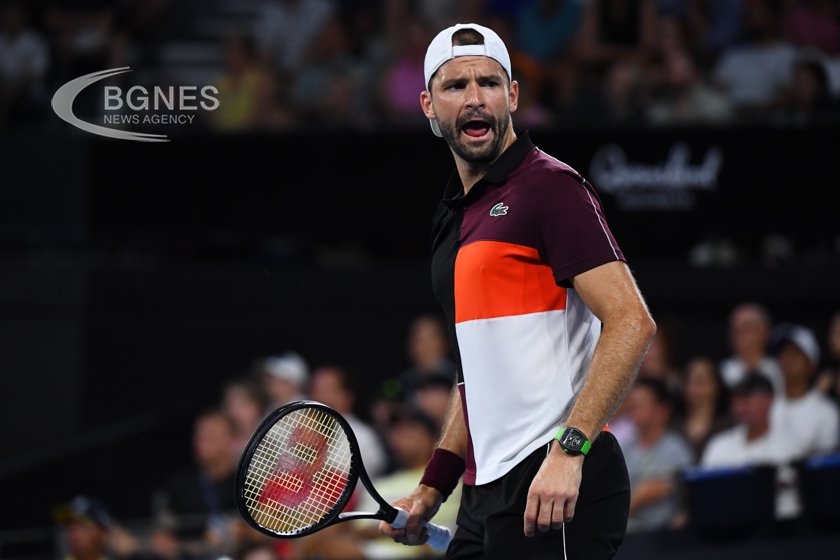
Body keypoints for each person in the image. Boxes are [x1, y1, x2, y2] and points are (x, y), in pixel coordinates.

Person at [379, 23, 657, 559]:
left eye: (488, 82)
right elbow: (478, 371)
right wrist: (435, 484)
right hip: (484, 494)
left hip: (555, 481)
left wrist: (570, 450)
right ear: (428, 106)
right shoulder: (452, 216)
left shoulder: (551, 187)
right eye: (455, 86)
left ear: (512, 96)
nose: (474, 98)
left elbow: (631, 320)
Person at [700, 371, 801, 520]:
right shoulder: (718, 445)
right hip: (729, 529)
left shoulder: (791, 445)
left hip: (780, 530)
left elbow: (792, 496)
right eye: (735, 400)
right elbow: (707, 492)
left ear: (769, 400)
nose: (739, 407)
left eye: (747, 399)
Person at [622, 378, 693, 533]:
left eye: (641, 403)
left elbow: (686, 497)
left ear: (662, 409)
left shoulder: (676, 449)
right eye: (632, 403)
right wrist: (638, 497)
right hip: (626, 534)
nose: (633, 408)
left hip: (665, 534)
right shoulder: (623, 449)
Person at [769, 324, 840, 459]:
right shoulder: (764, 405)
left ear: (811, 364)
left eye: (795, 353)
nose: (787, 359)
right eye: (783, 354)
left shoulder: (826, 411)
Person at [675, 356, 731, 462]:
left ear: (716, 385)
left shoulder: (729, 424)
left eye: (700, 381)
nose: (694, 387)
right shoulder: (673, 427)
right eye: (689, 381)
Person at [719, 302, 783, 393]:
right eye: (736, 329)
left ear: (766, 332)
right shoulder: (720, 374)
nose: (741, 335)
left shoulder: (782, 371)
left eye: (748, 327)